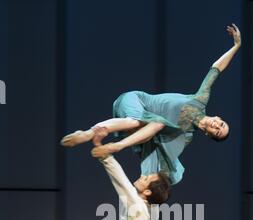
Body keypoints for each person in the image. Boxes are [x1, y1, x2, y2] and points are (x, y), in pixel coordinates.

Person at [61, 24, 241, 185]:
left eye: (217, 131)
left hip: (139, 124)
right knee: (144, 122)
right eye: (221, 124)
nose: (217, 126)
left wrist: (151, 182)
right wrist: (236, 46)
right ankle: (97, 137)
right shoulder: (200, 100)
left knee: (147, 124)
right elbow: (216, 69)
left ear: (208, 134)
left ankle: (98, 137)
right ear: (218, 118)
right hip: (135, 100)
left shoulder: (185, 136)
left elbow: (161, 155)